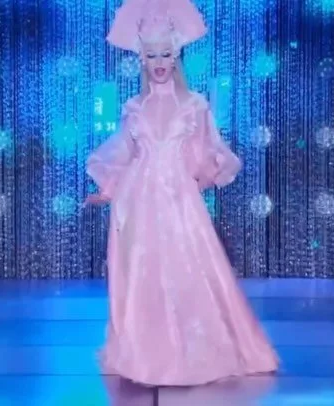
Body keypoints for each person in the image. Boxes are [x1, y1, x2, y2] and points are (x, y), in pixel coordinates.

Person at [83, 0, 279, 386]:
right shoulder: (134, 107)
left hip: (178, 201)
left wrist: (205, 176)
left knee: (188, 271)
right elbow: (123, 152)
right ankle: (146, 353)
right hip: (138, 200)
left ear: (175, 56)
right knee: (143, 275)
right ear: (142, 58)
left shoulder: (194, 105)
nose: (159, 62)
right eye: (151, 55)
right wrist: (107, 190)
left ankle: (194, 350)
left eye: (165, 54)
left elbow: (208, 151)